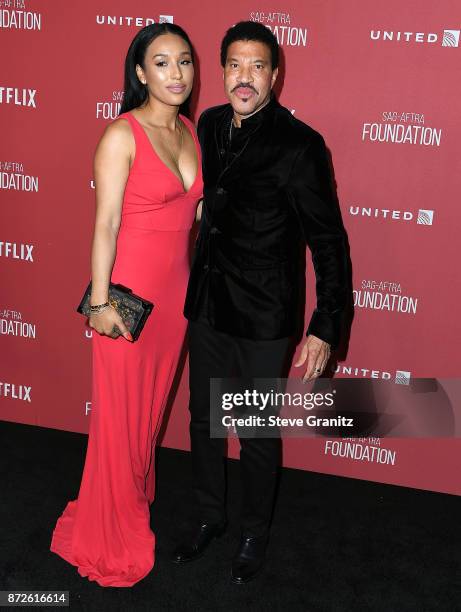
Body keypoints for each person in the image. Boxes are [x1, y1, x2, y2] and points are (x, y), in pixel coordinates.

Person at [172, 21, 350, 584]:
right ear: (221, 71)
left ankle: (254, 531)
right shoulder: (209, 123)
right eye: (234, 65)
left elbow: (328, 243)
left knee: (252, 428)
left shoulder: (301, 146)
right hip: (208, 303)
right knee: (203, 420)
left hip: (264, 315)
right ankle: (209, 516)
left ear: (275, 75)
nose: (244, 78)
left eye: (257, 67)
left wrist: (325, 325)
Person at [50, 23, 203, 587]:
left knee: (148, 414)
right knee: (118, 418)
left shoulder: (189, 129)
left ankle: (128, 503)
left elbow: (193, 216)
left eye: (184, 62)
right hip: (128, 301)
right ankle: (109, 530)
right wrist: (98, 303)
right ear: (140, 73)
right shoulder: (121, 134)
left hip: (176, 303)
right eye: (161, 63)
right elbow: (106, 224)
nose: (176, 74)